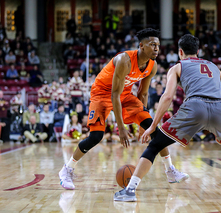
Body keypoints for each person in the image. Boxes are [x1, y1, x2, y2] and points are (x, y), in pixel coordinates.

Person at [114, 34, 221, 202]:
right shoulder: (213, 66)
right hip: (220, 108)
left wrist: (153, 125)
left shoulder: (177, 67)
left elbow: (168, 97)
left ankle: (130, 190)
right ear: (197, 51)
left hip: (195, 106)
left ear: (180, 52)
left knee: (155, 145)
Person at [59, 28, 188, 190]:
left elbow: (143, 93)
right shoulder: (124, 60)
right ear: (141, 46)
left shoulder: (152, 66)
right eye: (152, 44)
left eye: (158, 45)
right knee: (95, 136)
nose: (156, 48)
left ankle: (170, 170)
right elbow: (114, 95)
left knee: (154, 129)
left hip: (125, 95)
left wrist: (144, 124)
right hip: (102, 94)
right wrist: (121, 128)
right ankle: (67, 169)